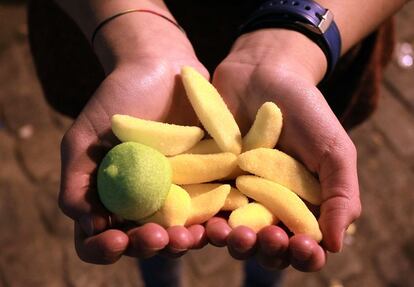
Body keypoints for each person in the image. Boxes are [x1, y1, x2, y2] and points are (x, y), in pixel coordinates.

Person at [27, 0, 409, 286]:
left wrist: (291, 40)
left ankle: (256, 279)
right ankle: (162, 275)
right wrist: (135, 28)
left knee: (274, 242)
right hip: (106, 36)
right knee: (153, 237)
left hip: (324, 36)